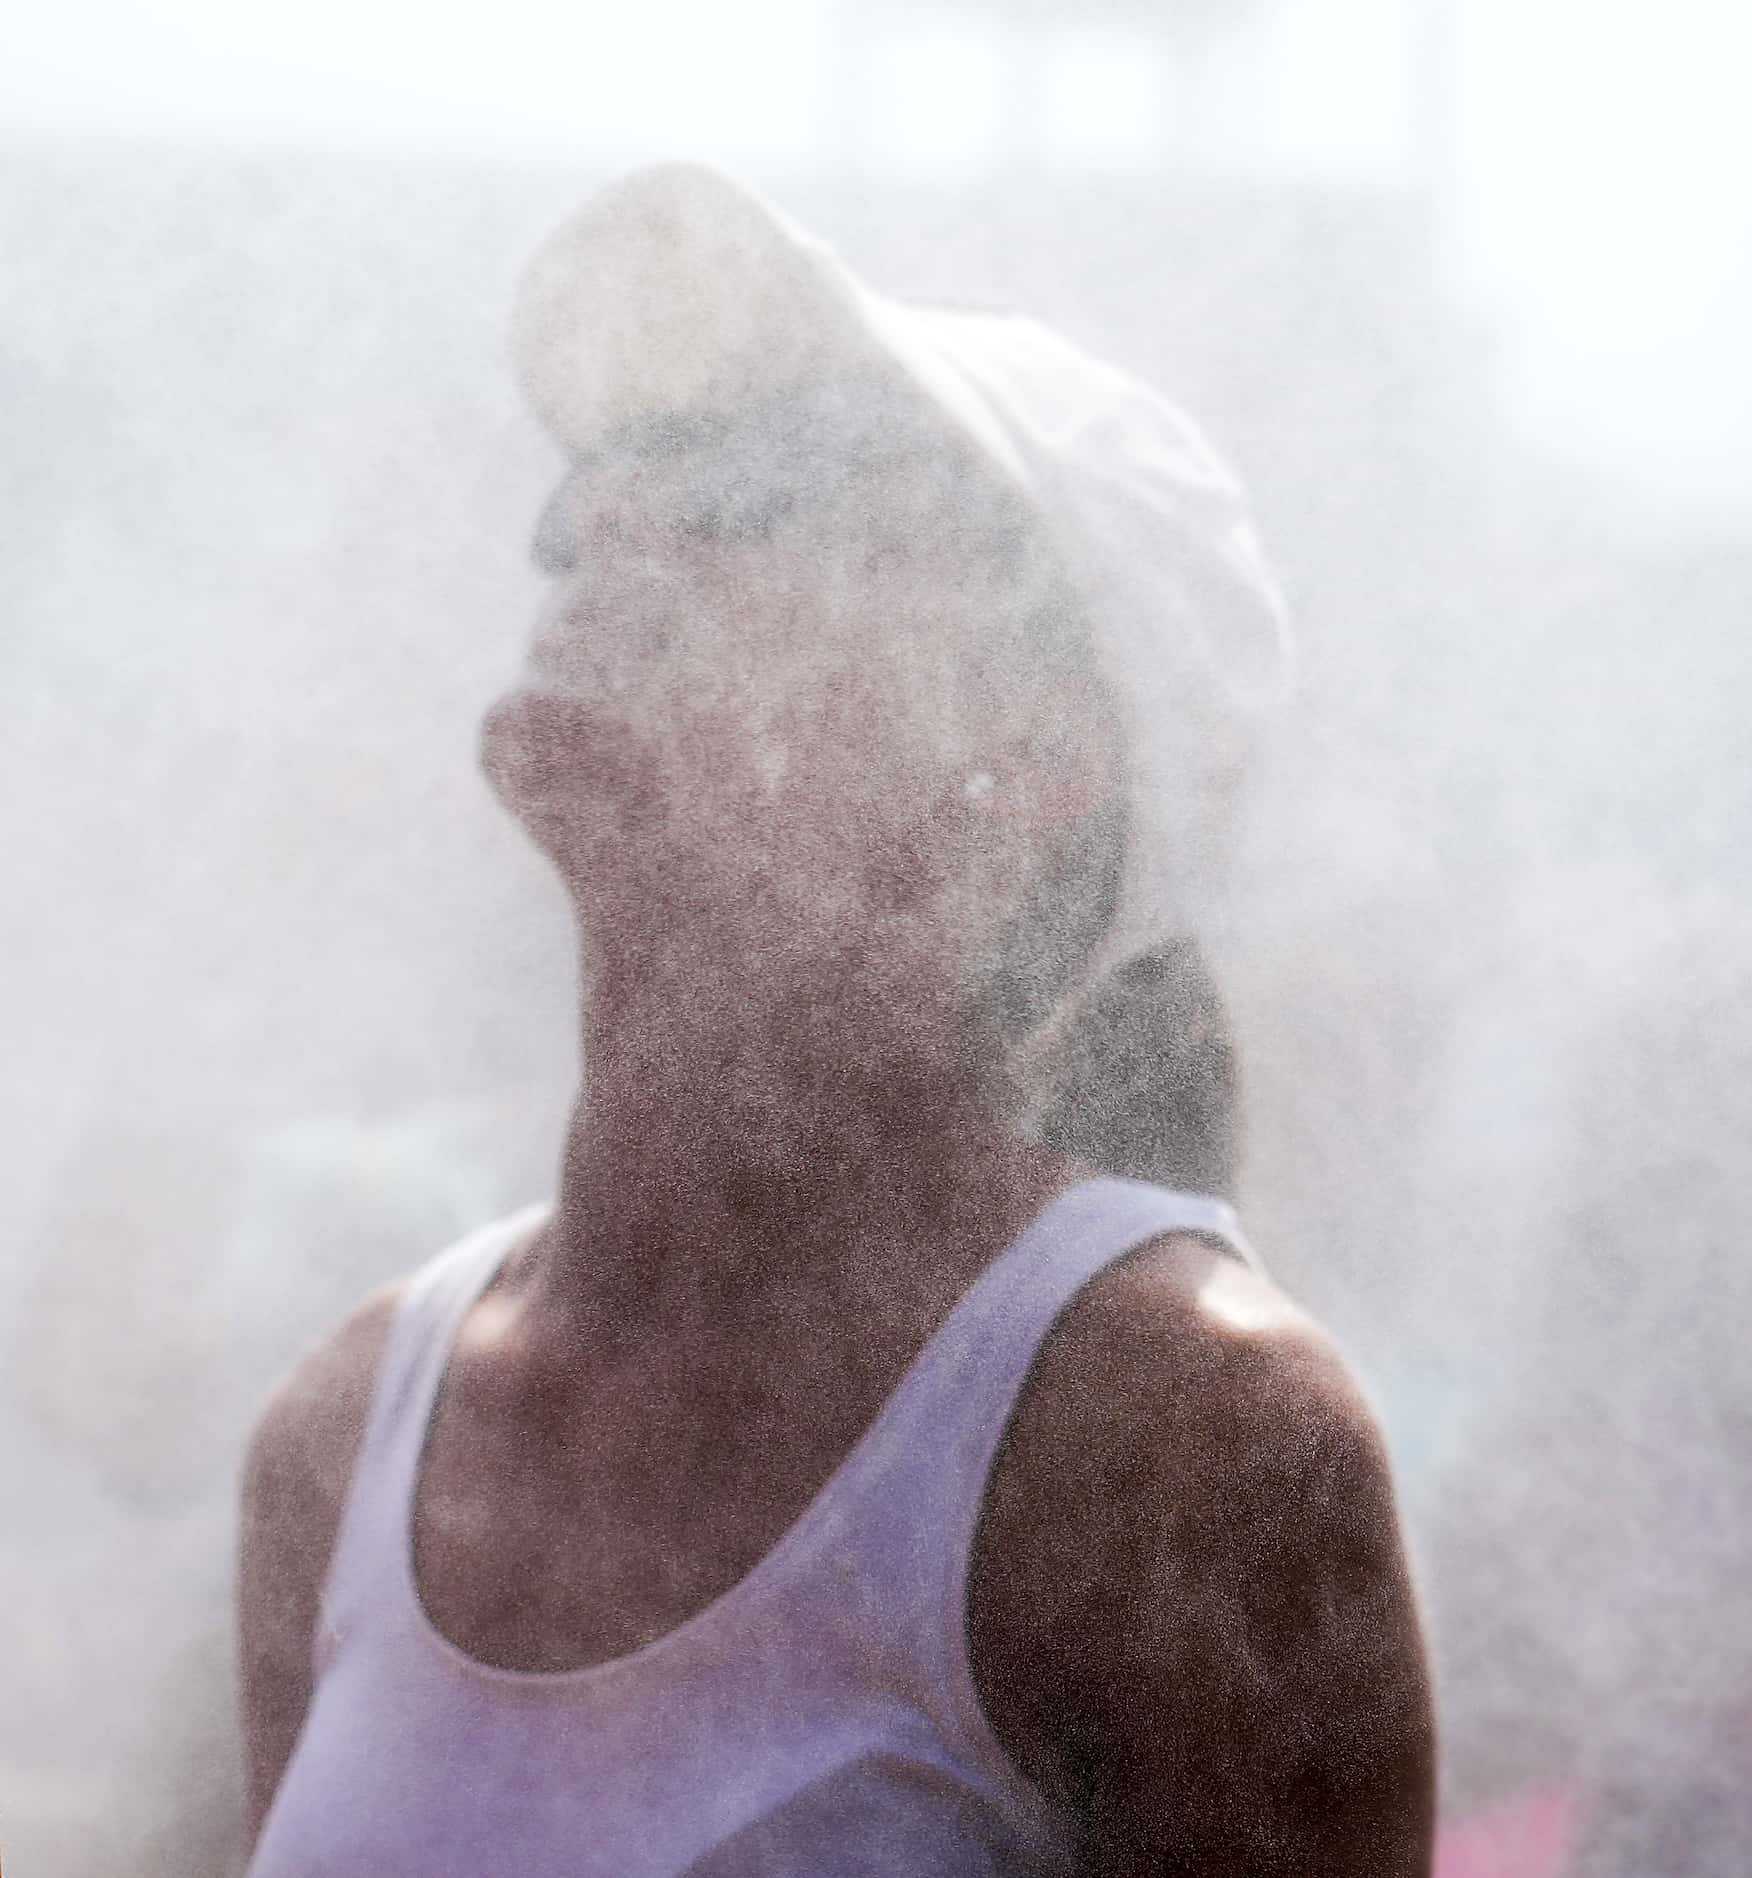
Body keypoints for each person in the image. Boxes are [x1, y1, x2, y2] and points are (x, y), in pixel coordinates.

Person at [235, 164, 1434, 1877]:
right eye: (603, 481)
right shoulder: (346, 1436)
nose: (627, 513)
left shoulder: (1169, 1443)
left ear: (1028, 759)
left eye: (765, 482)